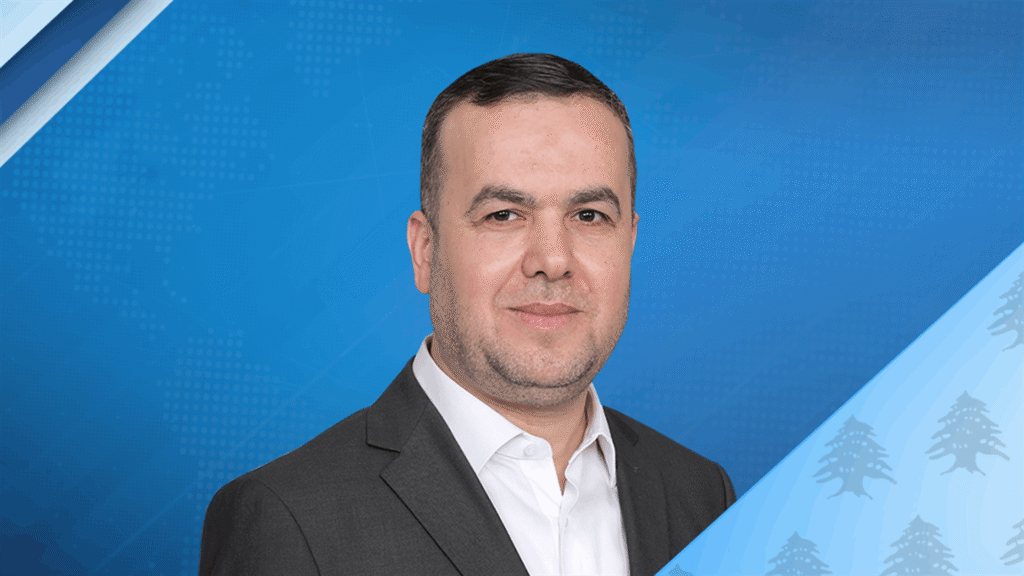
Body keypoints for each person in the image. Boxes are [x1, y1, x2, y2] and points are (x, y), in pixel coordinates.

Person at [199, 53, 734, 576]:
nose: (552, 260)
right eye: (503, 215)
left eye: (589, 215)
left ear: (630, 241)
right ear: (425, 251)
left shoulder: (702, 494)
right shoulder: (288, 518)